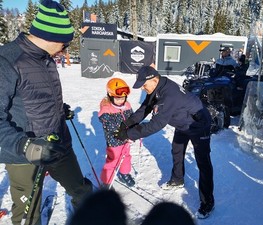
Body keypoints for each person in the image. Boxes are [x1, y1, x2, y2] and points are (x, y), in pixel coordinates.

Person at [0, 1, 93, 224]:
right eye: (65, 44)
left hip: (57, 143)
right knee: (28, 212)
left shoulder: (46, 58)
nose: (65, 49)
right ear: (50, 37)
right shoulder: (7, 60)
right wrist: (25, 145)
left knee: (83, 193)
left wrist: (59, 110)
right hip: (24, 154)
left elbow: (35, 97)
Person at [114, 66, 215, 219]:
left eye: (144, 84)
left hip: (198, 125)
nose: (142, 87)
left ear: (154, 79)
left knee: (203, 162)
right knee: (177, 150)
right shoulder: (157, 88)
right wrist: (127, 123)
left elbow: (155, 124)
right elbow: (145, 108)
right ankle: (177, 180)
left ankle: (208, 202)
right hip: (182, 123)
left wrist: (129, 134)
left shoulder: (169, 95)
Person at [98, 78, 135, 189]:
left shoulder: (127, 105)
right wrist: (124, 133)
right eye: (118, 98)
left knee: (126, 157)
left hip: (126, 139)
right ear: (110, 96)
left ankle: (124, 173)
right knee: (113, 161)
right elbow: (110, 126)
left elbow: (132, 118)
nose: (121, 100)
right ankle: (106, 182)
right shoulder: (106, 109)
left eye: (123, 98)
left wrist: (134, 130)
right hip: (114, 141)